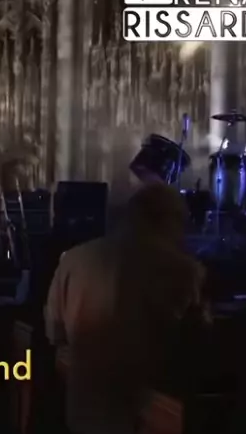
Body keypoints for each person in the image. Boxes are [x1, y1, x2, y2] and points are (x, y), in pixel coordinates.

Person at [45, 184, 207, 434]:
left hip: (82, 413)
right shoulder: (183, 269)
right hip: (146, 416)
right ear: (169, 220)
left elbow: (54, 333)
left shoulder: (73, 259)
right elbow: (196, 345)